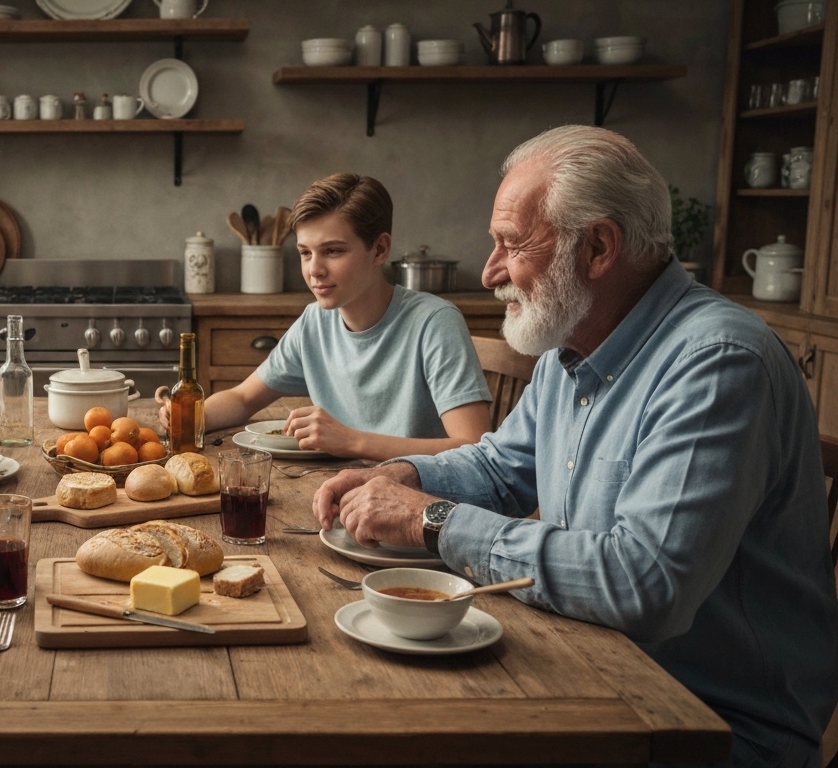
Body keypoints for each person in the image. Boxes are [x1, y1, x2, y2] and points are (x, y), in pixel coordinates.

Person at [314, 126, 838, 767]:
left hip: (705, 727)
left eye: (513, 244)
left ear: (598, 247)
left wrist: (431, 518)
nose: (491, 271)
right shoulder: (575, 343)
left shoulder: (717, 362)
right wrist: (398, 473)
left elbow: (644, 585)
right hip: (592, 669)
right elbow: (502, 464)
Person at [161, 173, 491, 460]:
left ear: (379, 250)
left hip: (420, 504)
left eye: (333, 251)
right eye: (305, 253)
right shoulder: (314, 322)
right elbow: (244, 398)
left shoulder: (434, 323)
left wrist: (352, 441)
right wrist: (189, 415)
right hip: (339, 489)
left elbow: (473, 449)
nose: (314, 271)